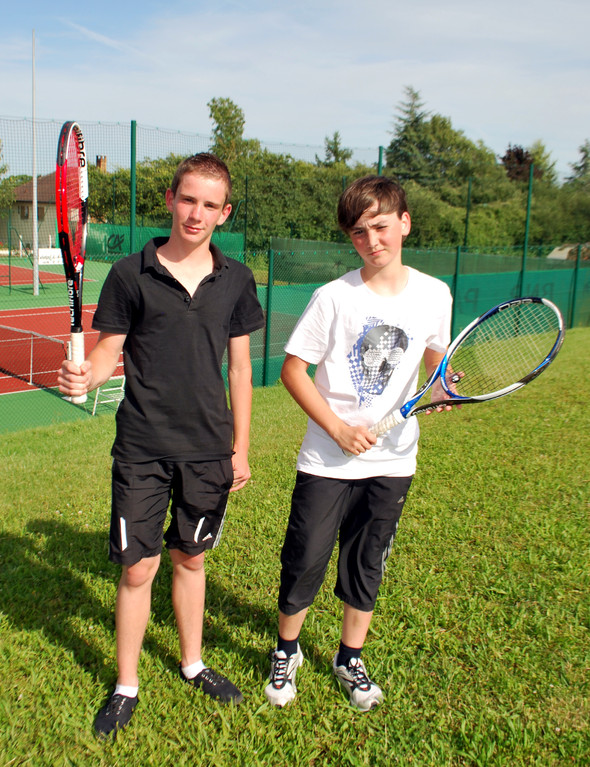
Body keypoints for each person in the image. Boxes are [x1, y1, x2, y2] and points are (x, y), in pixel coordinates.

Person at [59, 153, 265, 737]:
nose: (195, 213)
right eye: (187, 199)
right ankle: (126, 684)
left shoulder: (237, 280)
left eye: (209, 204)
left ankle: (193, 663)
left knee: (191, 558)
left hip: (208, 449)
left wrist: (239, 448)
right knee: (138, 567)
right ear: (170, 199)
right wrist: (87, 375)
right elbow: (106, 352)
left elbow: (242, 371)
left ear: (224, 213)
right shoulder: (130, 274)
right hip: (143, 446)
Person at [264, 175, 457, 712]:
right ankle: (288, 651)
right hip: (327, 459)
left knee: (366, 560)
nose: (372, 241)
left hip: (395, 459)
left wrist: (440, 383)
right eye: (358, 232)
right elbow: (293, 371)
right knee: (304, 559)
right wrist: (339, 429)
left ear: (404, 223)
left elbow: (434, 357)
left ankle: (349, 657)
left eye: (380, 227)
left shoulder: (434, 294)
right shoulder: (333, 298)